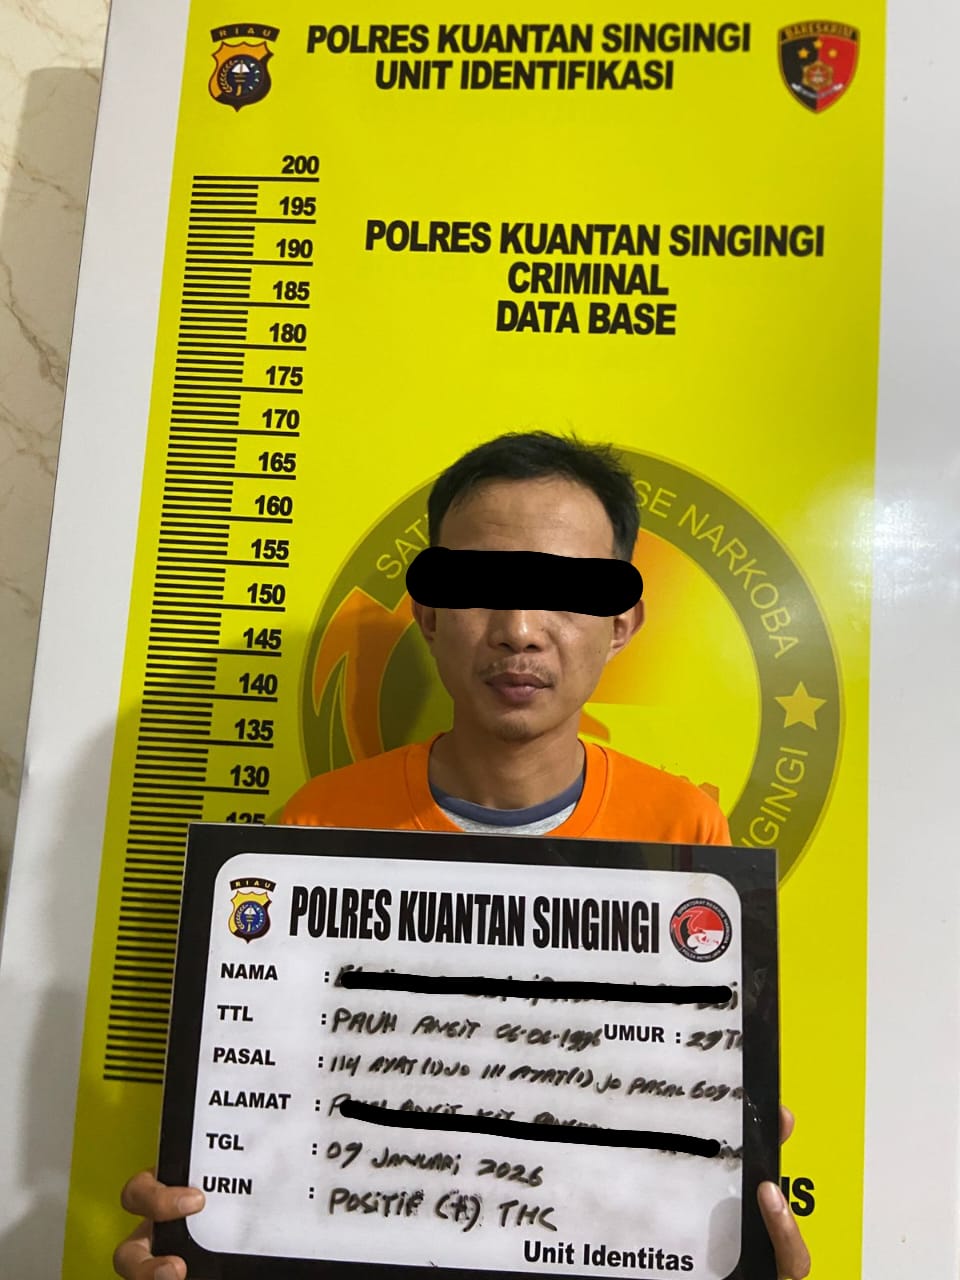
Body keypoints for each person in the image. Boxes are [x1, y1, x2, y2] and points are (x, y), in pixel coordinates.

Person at [114, 431, 810, 1280]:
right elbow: (278, 1111)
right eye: (482, 589)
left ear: (621, 622)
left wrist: (731, 1210)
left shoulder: (684, 834)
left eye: (564, 592)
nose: (520, 631)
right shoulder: (321, 823)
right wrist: (210, 1229)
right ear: (431, 612)